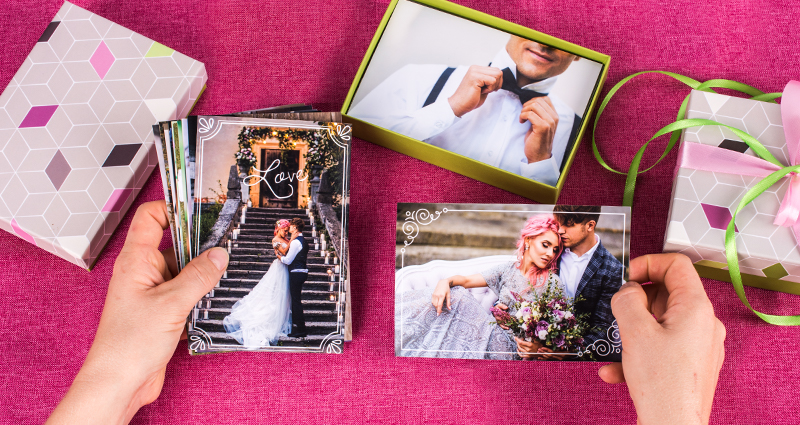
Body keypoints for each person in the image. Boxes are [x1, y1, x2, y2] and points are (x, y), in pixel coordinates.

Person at [46, 201, 725, 424]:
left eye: (554, 242)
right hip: (476, 305)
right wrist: (442, 285)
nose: (549, 247)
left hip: (506, 333)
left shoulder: (554, 287)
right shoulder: (503, 265)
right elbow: (469, 272)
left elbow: (543, 318)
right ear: (532, 239)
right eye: (544, 239)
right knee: (437, 296)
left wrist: (533, 334)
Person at [349, 35, 583, 186]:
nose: (546, 43)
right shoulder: (419, 78)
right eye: (535, 28)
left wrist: (541, 164)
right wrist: (449, 108)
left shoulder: (577, 132)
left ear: (579, 53)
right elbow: (348, 150)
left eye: (563, 36)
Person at [396, 214, 564, 360]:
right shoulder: (507, 270)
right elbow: (466, 281)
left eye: (555, 249)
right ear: (528, 240)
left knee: (459, 297)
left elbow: (562, 333)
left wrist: (537, 348)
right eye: (545, 244)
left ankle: (393, 319)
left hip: (513, 351)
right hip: (488, 336)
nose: (550, 254)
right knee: (457, 293)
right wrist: (445, 282)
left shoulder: (552, 283)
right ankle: (397, 323)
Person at [222, 219, 292, 346]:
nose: (286, 233)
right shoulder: (275, 240)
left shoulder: (286, 240)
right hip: (279, 268)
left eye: (287, 231)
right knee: (275, 292)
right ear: (279, 229)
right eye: (285, 230)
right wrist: (293, 241)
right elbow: (283, 252)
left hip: (286, 267)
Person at [276, 217, 310, 338]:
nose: (289, 227)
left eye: (291, 226)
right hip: (301, 272)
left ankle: (301, 329)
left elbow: (288, 260)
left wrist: (278, 256)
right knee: (296, 300)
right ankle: (298, 326)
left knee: (296, 301)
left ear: (295, 228)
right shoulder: (303, 240)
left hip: (296, 272)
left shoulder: (296, 242)